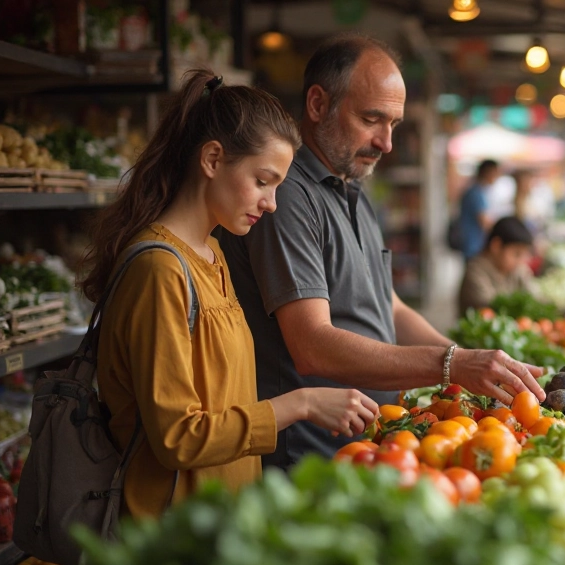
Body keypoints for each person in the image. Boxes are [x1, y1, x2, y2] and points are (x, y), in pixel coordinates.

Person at [220, 34, 545, 467]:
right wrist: (451, 364)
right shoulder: (289, 196)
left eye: (393, 123)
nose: (386, 143)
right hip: (309, 455)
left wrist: (474, 368)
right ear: (318, 105)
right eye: (372, 119)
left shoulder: (352, 189)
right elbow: (311, 344)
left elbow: (389, 308)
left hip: (371, 443)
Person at [80, 71, 378, 518]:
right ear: (213, 159)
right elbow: (179, 437)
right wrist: (302, 403)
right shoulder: (159, 270)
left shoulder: (214, 253)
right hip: (167, 538)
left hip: (221, 525)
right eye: (263, 181)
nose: (272, 203)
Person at [458, 217, 538, 312]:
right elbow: (491, 307)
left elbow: (534, 296)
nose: (521, 261)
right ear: (496, 246)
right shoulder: (475, 271)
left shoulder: (517, 270)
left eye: (523, 255)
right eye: (516, 254)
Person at [458, 159, 501, 259]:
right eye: (495, 173)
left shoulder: (475, 190)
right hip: (473, 245)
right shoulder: (476, 193)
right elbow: (484, 221)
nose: (496, 177)